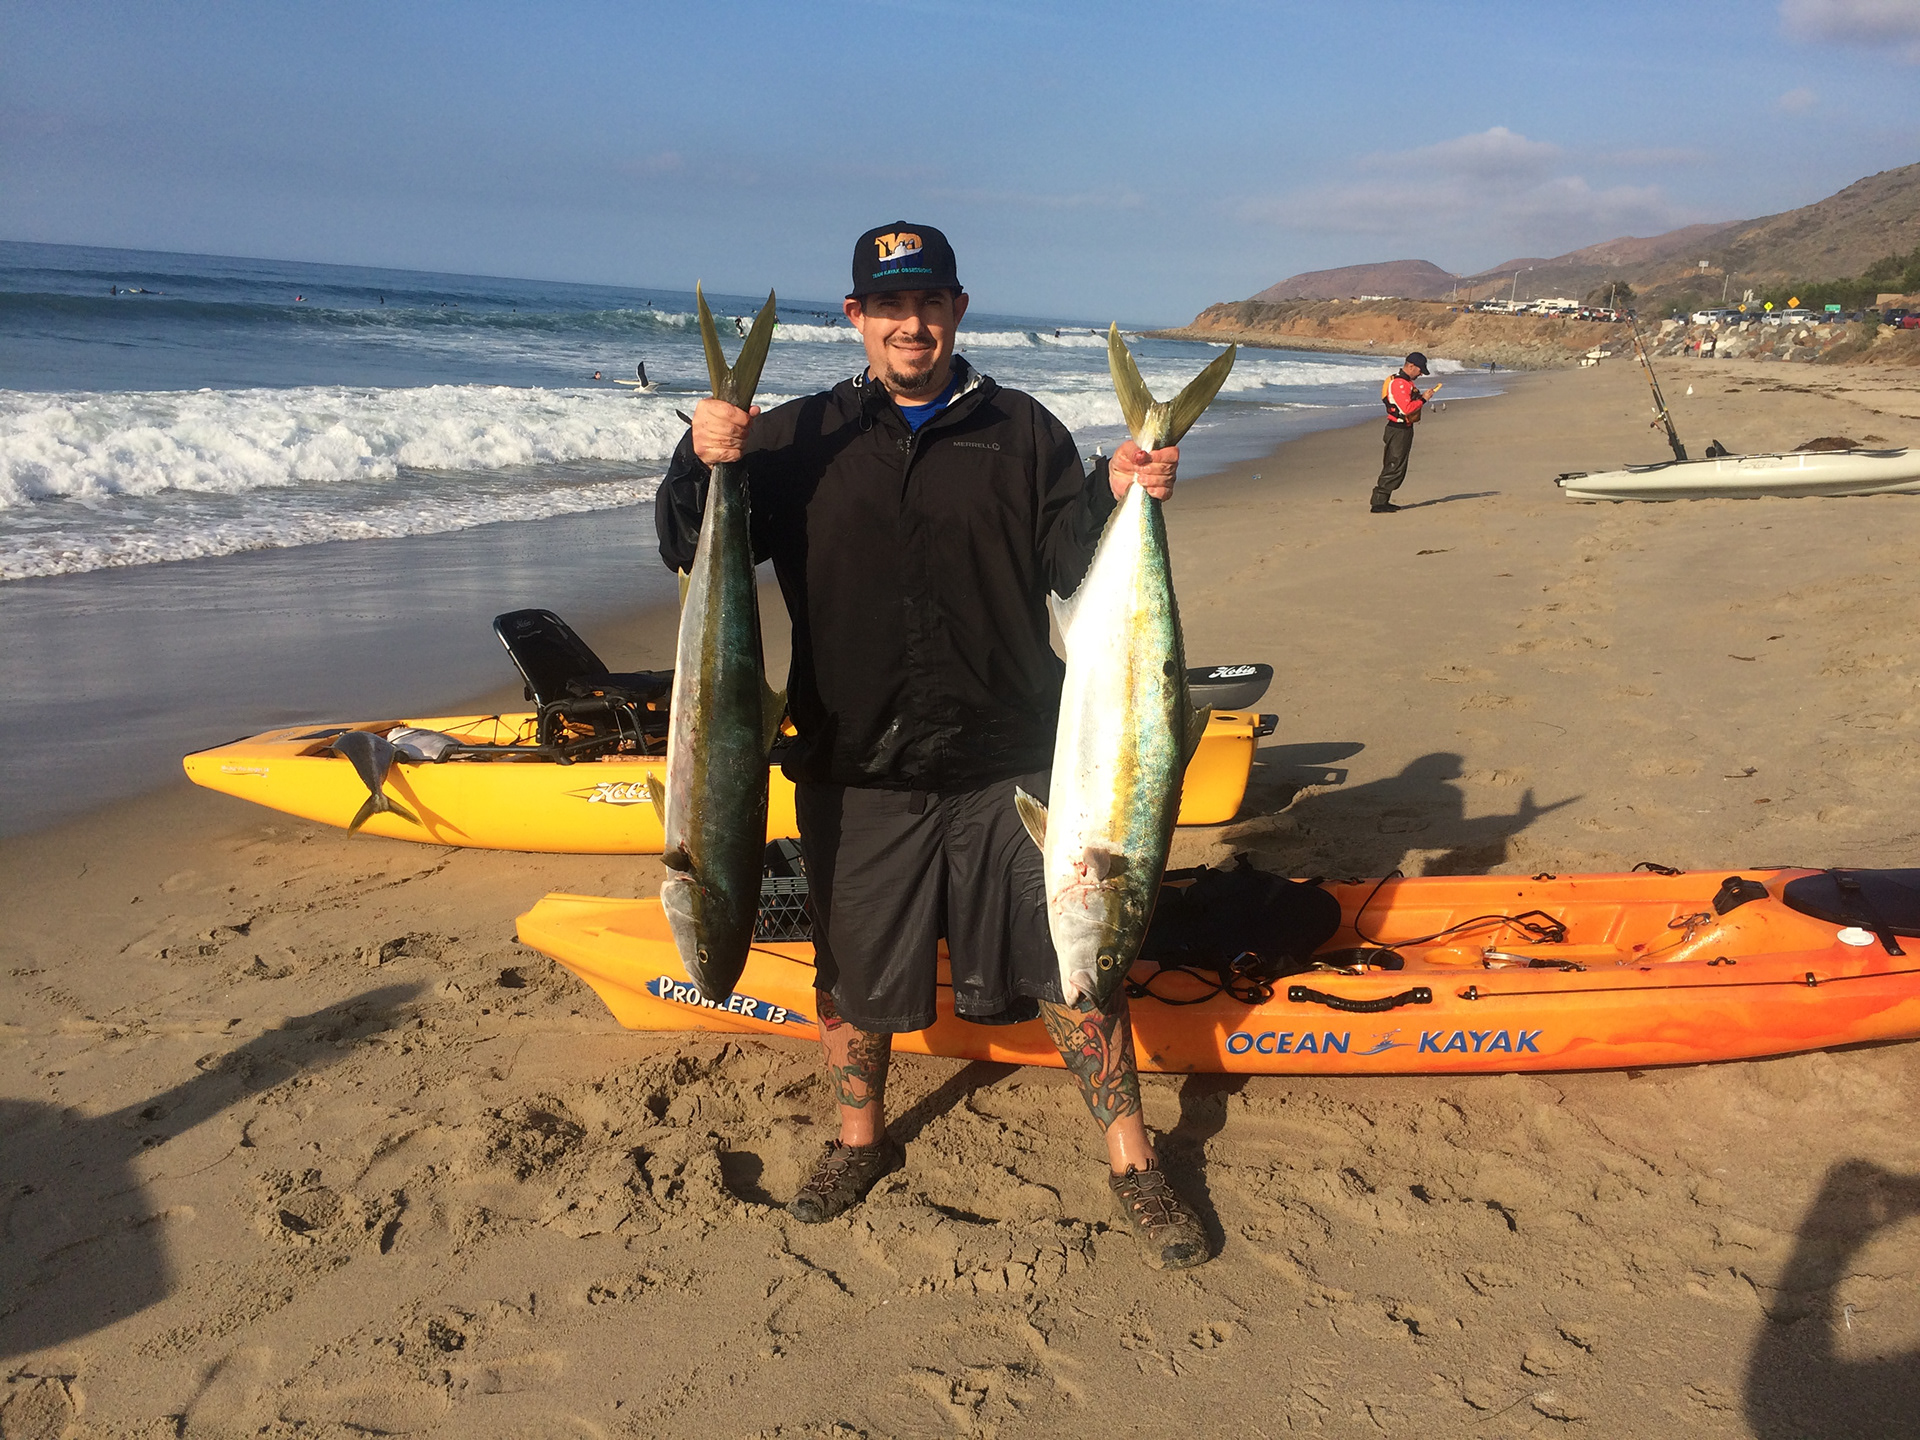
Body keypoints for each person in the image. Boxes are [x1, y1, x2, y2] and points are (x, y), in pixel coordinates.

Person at [654, 222, 1209, 1269]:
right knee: (851, 973)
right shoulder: (798, 439)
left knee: (1074, 963)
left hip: (1011, 763)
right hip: (857, 766)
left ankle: (1136, 1160)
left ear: (959, 310)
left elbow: (1067, 557)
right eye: (890, 305)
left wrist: (1122, 488)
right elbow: (688, 540)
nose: (913, 324)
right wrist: (700, 453)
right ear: (857, 316)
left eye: (932, 303)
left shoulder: (1023, 431)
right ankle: (858, 1142)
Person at [1369, 351, 1435, 514]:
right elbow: (1406, 409)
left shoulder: (1405, 383)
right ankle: (1378, 502)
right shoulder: (1400, 384)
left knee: (1397, 464)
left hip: (1402, 428)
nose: (1420, 374)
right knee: (1394, 463)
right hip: (1397, 429)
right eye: (1420, 370)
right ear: (1411, 366)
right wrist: (1424, 399)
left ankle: (1383, 499)